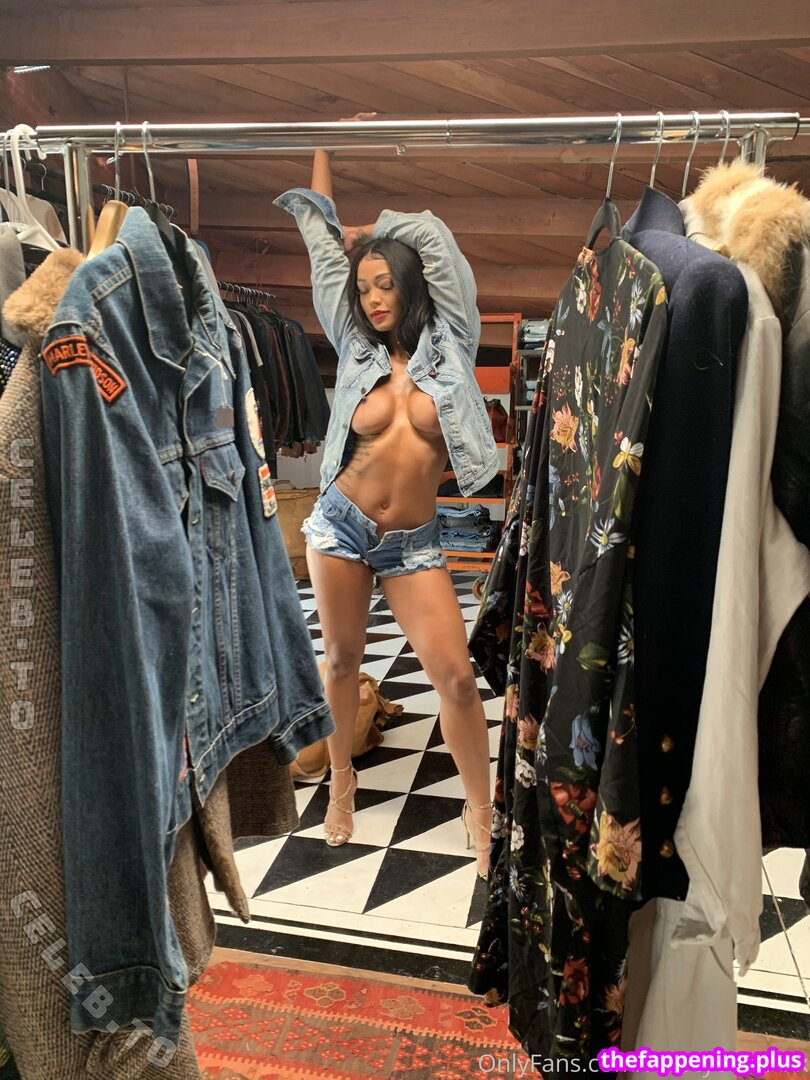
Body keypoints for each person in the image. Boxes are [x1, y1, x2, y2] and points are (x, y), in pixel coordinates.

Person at [274, 115, 499, 877]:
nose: (371, 298)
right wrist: (323, 143)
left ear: (409, 283)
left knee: (457, 678)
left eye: (383, 283)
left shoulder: (454, 341)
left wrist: (375, 232)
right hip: (339, 526)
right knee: (340, 662)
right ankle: (340, 779)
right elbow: (317, 234)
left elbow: (432, 234)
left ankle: (480, 809)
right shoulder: (354, 345)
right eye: (362, 287)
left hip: (413, 542)